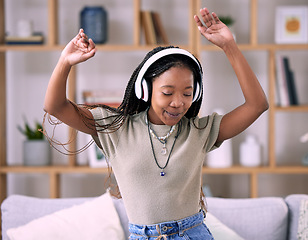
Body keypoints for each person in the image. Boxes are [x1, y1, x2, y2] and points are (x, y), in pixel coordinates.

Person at [44, 7, 268, 240]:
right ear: (145, 89)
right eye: (167, 93)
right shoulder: (116, 128)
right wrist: (64, 62)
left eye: (187, 93)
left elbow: (257, 104)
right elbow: (55, 106)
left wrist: (229, 46)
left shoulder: (200, 131)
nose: (178, 103)